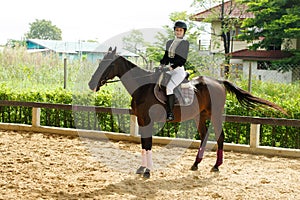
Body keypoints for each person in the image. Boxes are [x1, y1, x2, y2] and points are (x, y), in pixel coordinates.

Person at [160, 21, 190, 121]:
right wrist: (161, 65)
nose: (178, 32)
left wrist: (172, 67)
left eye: (180, 30)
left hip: (178, 70)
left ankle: (170, 113)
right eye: (177, 30)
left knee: (169, 88)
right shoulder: (169, 42)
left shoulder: (185, 43)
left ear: (183, 32)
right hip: (169, 69)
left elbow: (183, 59)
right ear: (174, 31)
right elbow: (165, 57)